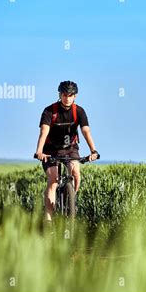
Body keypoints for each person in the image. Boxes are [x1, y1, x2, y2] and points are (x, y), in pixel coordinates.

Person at [35, 80, 99, 221]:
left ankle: (71, 200)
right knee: (53, 180)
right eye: (64, 94)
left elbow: (86, 131)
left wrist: (93, 151)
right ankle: (48, 219)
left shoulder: (79, 111)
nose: (67, 98)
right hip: (50, 150)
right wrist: (39, 151)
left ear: (75, 96)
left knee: (75, 173)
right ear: (60, 94)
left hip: (70, 148)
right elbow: (43, 132)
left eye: (70, 95)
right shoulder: (49, 111)